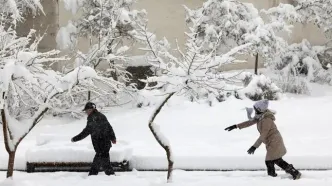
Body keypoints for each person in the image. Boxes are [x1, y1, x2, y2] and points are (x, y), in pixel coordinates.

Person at [224, 100, 301, 180]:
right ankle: (291, 173)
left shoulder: (266, 120)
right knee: (276, 159)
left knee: (270, 160)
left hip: (274, 141)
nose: (254, 110)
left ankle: (276, 177)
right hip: (271, 141)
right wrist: (236, 126)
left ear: (259, 109)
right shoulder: (260, 116)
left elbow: (263, 135)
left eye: (255, 108)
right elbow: (249, 122)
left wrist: (254, 146)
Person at [71, 102, 117, 176]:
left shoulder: (93, 118)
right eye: (86, 111)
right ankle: (104, 175)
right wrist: (113, 138)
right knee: (102, 160)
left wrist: (75, 138)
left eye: (88, 110)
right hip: (105, 143)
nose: (87, 112)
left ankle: (96, 175)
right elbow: (109, 127)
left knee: (102, 160)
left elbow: (86, 131)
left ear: (93, 109)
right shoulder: (101, 116)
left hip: (100, 143)